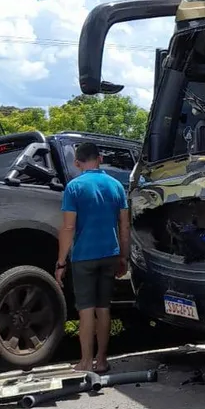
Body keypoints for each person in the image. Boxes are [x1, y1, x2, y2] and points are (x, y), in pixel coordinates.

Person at [55, 142, 129, 373]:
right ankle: (102, 360)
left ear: (77, 163)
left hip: (84, 257)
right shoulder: (117, 186)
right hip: (110, 254)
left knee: (86, 309)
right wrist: (123, 257)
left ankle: (86, 362)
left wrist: (61, 262)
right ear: (101, 158)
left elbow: (68, 228)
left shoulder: (74, 187)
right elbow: (124, 225)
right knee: (103, 307)